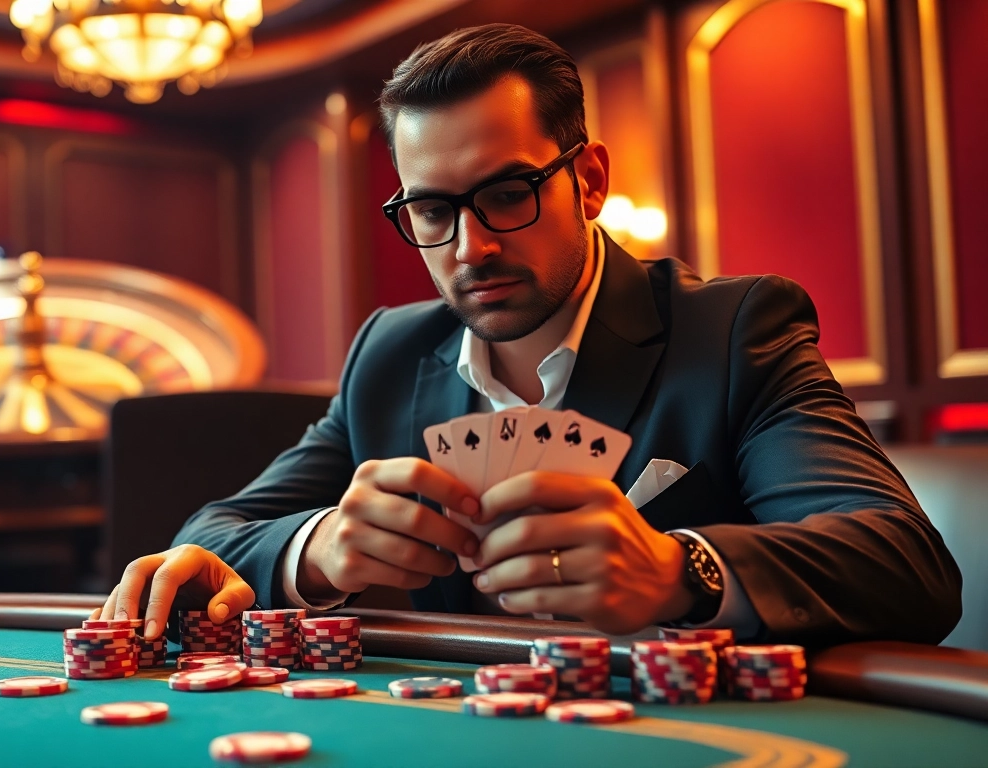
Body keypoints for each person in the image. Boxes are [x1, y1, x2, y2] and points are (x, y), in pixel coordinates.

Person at [90, 23, 961, 647]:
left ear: (587, 181)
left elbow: (906, 564)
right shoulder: (388, 354)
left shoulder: (732, 332)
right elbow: (219, 530)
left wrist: (674, 570)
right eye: (432, 209)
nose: (472, 247)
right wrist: (316, 549)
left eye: (508, 193)